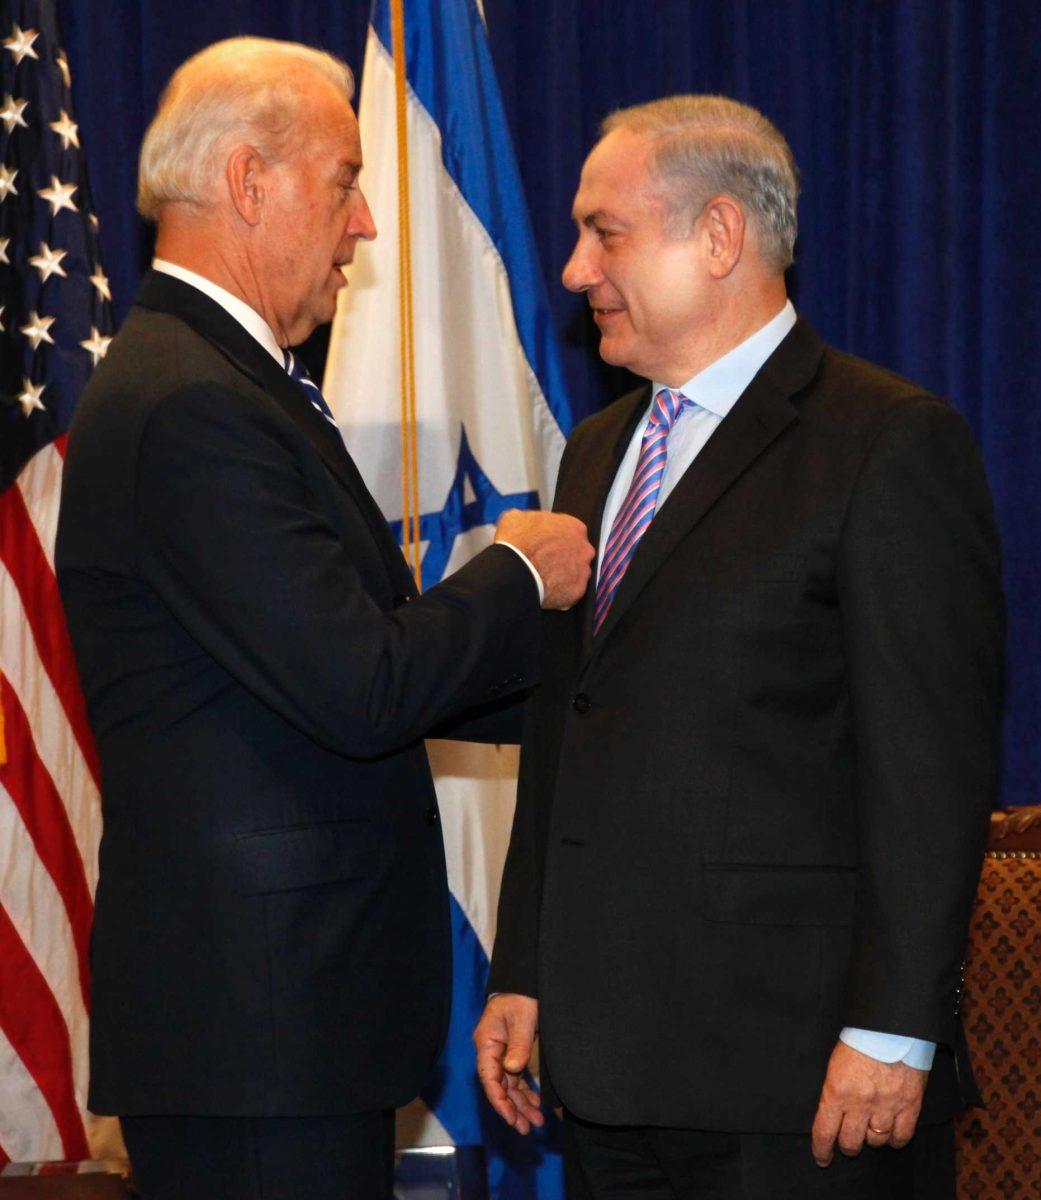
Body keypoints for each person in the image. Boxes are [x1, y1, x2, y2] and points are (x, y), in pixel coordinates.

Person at [55, 37, 593, 1200]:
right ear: (250, 184)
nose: (364, 227)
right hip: (258, 1035)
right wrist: (513, 567)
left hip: (281, 1029)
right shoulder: (192, 405)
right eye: (346, 183)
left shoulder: (223, 383)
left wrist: (608, 665)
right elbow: (364, 685)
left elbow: (361, 663)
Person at [475, 95, 1003, 1199]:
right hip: (609, 1071)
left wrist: (897, 1030)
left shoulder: (886, 443)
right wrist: (526, 969)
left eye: (604, 232)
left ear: (718, 237)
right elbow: (568, 728)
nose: (574, 271)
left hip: (801, 1081)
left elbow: (930, 774)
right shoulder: (599, 451)